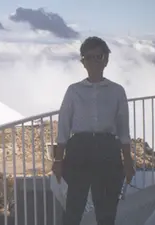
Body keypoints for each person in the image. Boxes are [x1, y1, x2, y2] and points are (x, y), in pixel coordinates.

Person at [52, 36, 135, 225]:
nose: (93, 61)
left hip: (108, 150)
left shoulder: (117, 91)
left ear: (106, 59)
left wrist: (127, 161)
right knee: (74, 207)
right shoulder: (73, 91)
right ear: (83, 62)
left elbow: (123, 129)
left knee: (106, 210)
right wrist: (58, 160)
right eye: (88, 57)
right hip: (79, 150)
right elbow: (64, 126)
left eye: (98, 56)